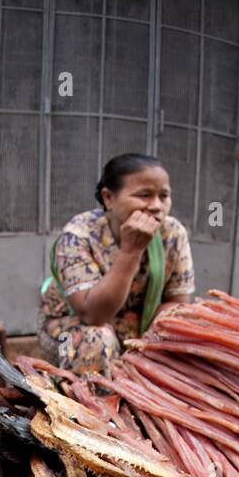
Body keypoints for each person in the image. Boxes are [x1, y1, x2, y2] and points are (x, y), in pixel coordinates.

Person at [38, 153, 194, 375]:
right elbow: (93, 315)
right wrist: (131, 251)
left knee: (184, 328)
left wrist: (151, 342)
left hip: (138, 329)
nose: (157, 206)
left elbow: (177, 304)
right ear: (109, 198)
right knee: (97, 339)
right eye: (144, 195)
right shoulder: (79, 235)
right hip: (73, 329)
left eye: (164, 196)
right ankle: (88, 406)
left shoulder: (173, 233)